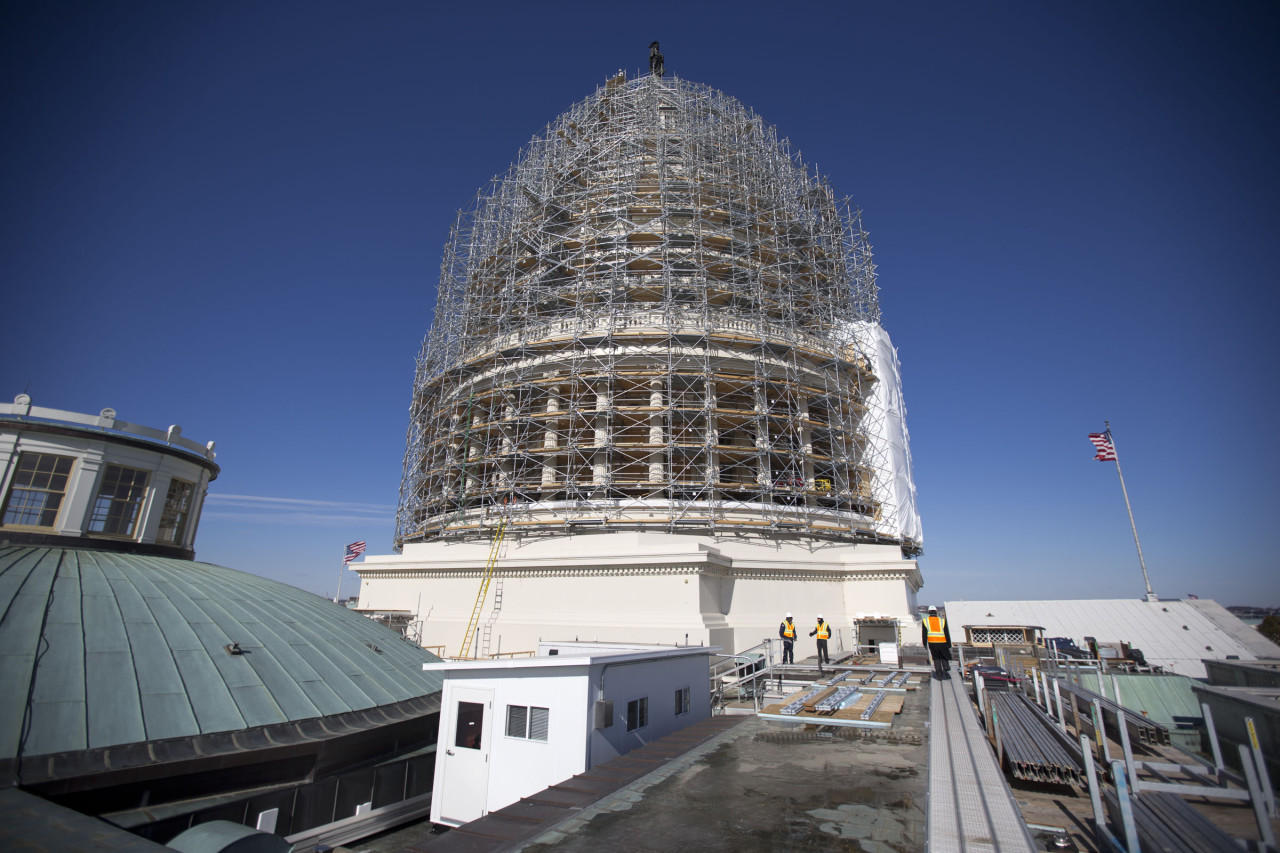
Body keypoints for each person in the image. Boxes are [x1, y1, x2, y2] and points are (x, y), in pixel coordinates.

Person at [922, 605, 952, 679]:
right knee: (944, 656)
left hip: (932, 642)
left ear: (929, 612)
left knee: (936, 658)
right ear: (936, 612)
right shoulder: (942, 621)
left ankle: (939, 675)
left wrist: (924, 643)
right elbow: (946, 633)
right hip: (942, 642)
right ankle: (946, 669)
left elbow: (924, 633)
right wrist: (949, 643)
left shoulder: (925, 621)